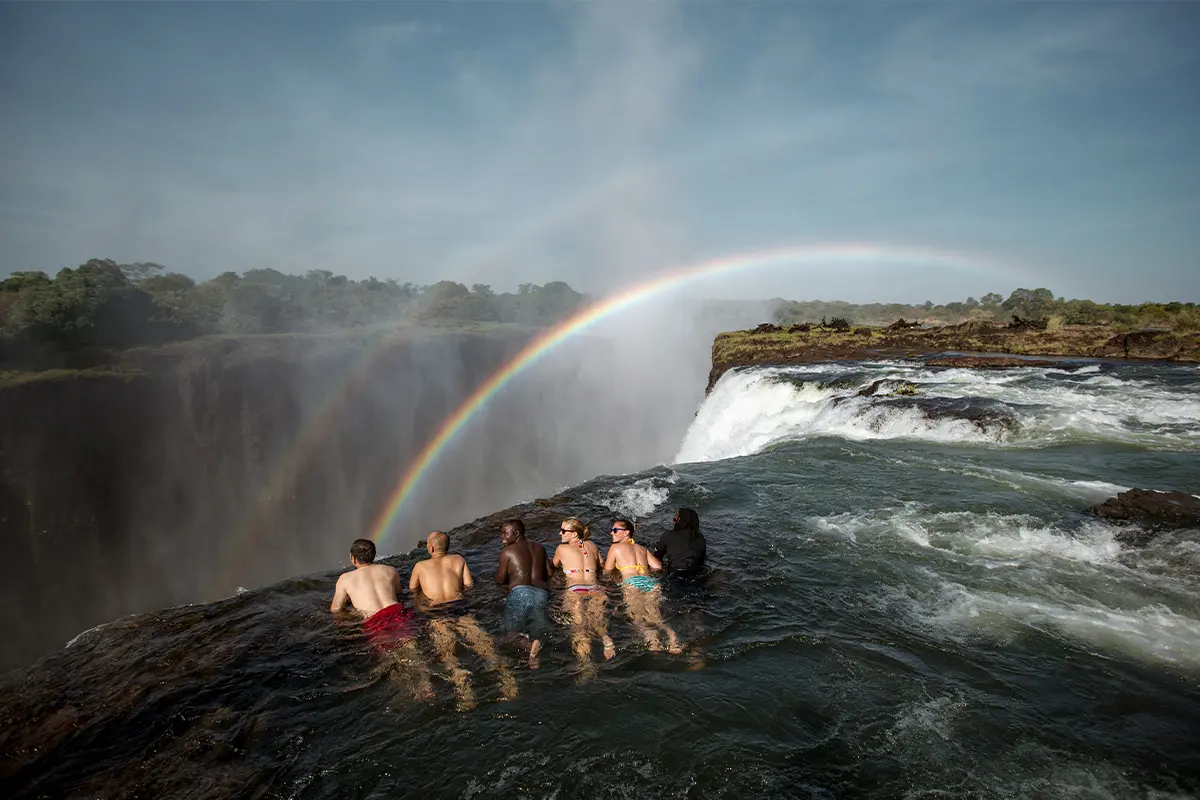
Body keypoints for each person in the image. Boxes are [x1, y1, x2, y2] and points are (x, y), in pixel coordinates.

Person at [410, 531, 516, 710]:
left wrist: (422, 606)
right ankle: (508, 682)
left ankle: (465, 691)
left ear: (431, 547)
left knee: (448, 654)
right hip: (460, 606)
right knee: (485, 646)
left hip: (436, 612)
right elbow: (469, 585)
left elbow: (413, 590)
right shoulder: (459, 560)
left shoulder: (420, 566)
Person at [330, 538, 432, 699]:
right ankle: (426, 684)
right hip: (397, 612)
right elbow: (398, 594)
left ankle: (412, 691)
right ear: (374, 555)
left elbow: (336, 609)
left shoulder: (345, 579)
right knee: (412, 649)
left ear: (352, 558)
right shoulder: (390, 570)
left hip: (375, 620)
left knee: (390, 657)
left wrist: (353, 613)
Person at [604, 518, 682, 654]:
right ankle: (672, 637)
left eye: (615, 530)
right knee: (656, 617)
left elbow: (607, 570)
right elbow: (657, 567)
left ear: (626, 533)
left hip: (632, 583)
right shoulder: (642, 548)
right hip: (651, 584)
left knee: (637, 619)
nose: (612, 533)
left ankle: (652, 640)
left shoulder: (615, 548)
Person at [552, 517, 615, 678]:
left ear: (574, 534)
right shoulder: (592, 545)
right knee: (597, 620)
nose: (560, 533)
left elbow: (554, 566)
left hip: (575, 588)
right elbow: (601, 565)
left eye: (564, 530)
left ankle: (586, 663)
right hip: (595, 588)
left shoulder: (561, 548)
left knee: (579, 628)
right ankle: (606, 640)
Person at [495, 518, 552, 667]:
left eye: (504, 533)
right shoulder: (540, 547)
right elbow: (550, 573)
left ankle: (529, 646)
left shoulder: (507, 552)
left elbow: (500, 580)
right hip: (542, 594)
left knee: (510, 633)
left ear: (517, 533)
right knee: (539, 628)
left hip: (520, 593)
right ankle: (536, 650)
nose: (502, 537)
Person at [653, 508, 707, 577]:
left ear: (679, 521)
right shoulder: (701, 538)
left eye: (674, 520)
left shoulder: (668, 535)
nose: (673, 522)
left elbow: (657, 556)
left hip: (676, 574)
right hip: (697, 574)